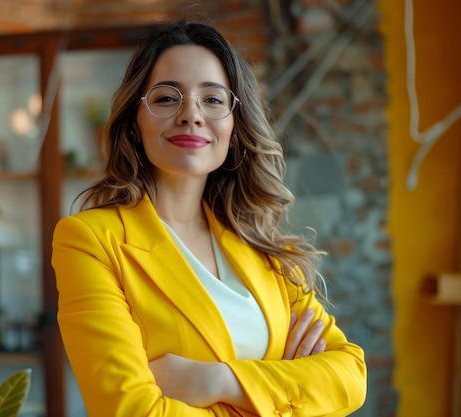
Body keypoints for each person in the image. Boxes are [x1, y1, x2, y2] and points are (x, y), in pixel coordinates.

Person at [52, 20, 367, 416]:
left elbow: (351, 376)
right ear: (136, 122)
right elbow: (130, 410)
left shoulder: (265, 248)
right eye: (166, 98)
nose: (191, 115)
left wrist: (218, 381)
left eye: (213, 100)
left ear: (234, 128)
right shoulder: (90, 240)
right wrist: (281, 388)